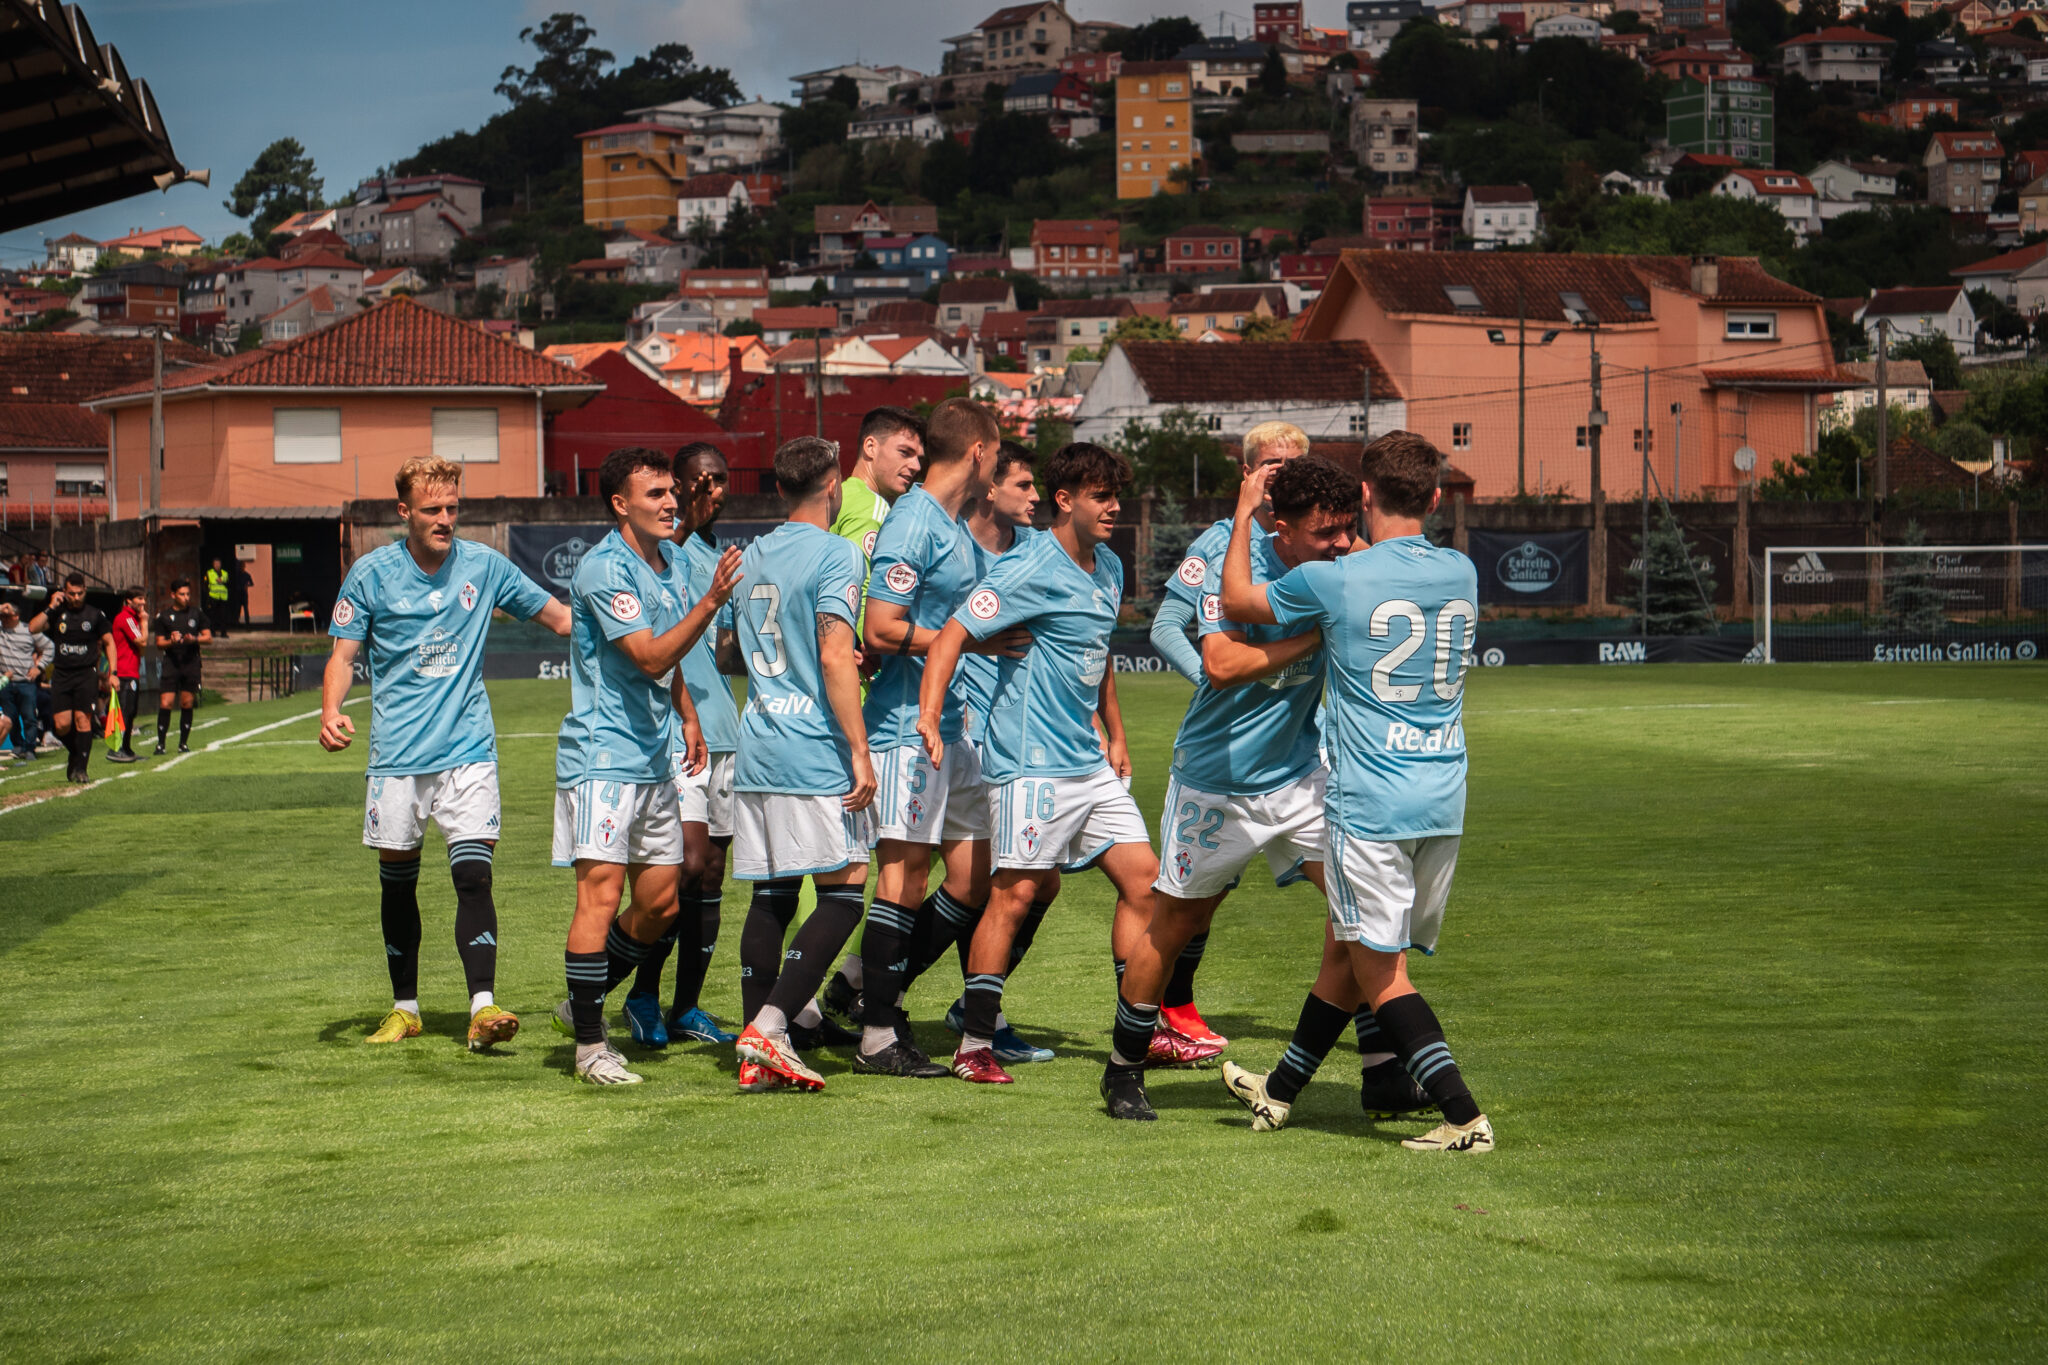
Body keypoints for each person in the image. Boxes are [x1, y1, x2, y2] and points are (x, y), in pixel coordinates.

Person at [1215, 432, 1493, 1154]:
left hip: (1370, 802)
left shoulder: (1337, 580)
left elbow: (1238, 601)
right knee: (1347, 950)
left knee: (1380, 971)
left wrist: (1247, 511)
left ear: (1364, 496)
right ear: (1435, 499)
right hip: (1444, 796)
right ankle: (1279, 1094)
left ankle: (1464, 1117)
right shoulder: (1461, 569)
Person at [1098, 455, 1363, 1120]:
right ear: (1279, 524)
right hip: (1215, 780)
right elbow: (1217, 662)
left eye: (1347, 528)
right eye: (1326, 531)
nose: (1342, 543)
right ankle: (1123, 1069)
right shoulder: (1226, 556)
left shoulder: (1347, 566)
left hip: (1301, 775)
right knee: (1174, 923)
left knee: (1362, 911)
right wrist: (1308, 641)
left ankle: (1384, 1070)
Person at [917, 442, 1158, 1086]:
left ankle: (1140, 1030)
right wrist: (929, 713)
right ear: (1065, 500)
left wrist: (1116, 731)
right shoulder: (1027, 567)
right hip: (1030, 763)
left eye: (1117, 496)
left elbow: (1099, 650)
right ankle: (973, 1044)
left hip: (1087, 760)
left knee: (1147, 884)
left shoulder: (1108, 565)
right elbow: (952, 635)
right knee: (1015, 894)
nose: (1114, 507)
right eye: (1100, 496)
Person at [319, 457, 575, 1051]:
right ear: (404, 511)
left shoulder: (484, 567)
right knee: (396, 885)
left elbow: (561, 617)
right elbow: (342, 655)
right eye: (432, 509)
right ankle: (405, 1007)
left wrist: (644, 634)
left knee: (473, 878)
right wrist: (331, 710)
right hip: (396, 758)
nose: (445, 519)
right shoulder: (371, 574)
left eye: (453, 508)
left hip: (468, 750)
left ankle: (483, 1007)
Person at [847, 397, 1031, 1079]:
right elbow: (881, 627)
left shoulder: (952, 524)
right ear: (980, 452)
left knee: (972, 875)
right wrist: (968, 640)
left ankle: (867, 991)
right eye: (1000, 451)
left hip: (950, 728)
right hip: (903, 729)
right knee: (902, 875)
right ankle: (874, 1033)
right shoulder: (914, 521)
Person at [551, 447, 738, 1086]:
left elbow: (670, 662)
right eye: (654, 493)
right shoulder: (605, 569)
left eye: (670, 492)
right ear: (619, 504)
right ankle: (589, 1048)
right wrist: (710, 603)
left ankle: (581, 998)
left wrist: (687, 715)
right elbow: (651, 657)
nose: (669, 502)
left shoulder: (667, 565)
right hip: (603, 758)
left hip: (655, 758)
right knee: (600, 897)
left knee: (661, 902)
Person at [1139, 420, 1312, 1049]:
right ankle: (1163, 1011)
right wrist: (1212, 681)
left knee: (1349, 884)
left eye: (1293, 465)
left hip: (1295, 761)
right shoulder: (1219, 544)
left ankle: (1377, 1030)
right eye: (1270, 464)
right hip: (1221, 758)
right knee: (1192, 902)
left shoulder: (1321, 545)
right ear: (1247, 474)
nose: (1280, 475)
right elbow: (1164, 626)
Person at [719, 435, 878, 1094]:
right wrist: (860, 747)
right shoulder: (839, 551)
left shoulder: (750, 555)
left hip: (757, 740)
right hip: (811, 745)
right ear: (835, 484)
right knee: (847, 885)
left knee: (773, 894)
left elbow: (733, 652)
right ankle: (771, 1024)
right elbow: (835, 652)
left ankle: (759, 1058)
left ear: (780, 490)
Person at [621, 442, 743, 1049]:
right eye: (699, 481)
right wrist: (686, 514)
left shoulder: (723, 555)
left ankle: (685, 1007)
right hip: (678, 734)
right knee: (684, 865)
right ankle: (636, 994)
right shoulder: (666, 550)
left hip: (726, 732)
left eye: (720, 480)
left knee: (711, 875)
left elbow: (727, 650)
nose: (711, 490)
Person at [29, 572, 113, 783]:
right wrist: (51, 605)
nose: (76, 597)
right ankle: (76, 753)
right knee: (61, 725)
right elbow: (33, 628)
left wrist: (115, 671)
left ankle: (81, 769)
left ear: (85, 591)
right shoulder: (57, 613)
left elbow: (109, 642)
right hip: (62, 675)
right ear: (64, 592)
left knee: (82, 720)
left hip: (86, 674)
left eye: (80, 593)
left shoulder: (95, 615)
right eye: (71, 593)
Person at [830, 405, 924, 562]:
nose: (916, 466)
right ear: (870, 447)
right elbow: (862, 584)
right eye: (904, 452)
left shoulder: (838, 495)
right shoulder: (872, 508)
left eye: (918, 458)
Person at [152, 580, 211, 755]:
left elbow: (208, 637)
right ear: (173, 595)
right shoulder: (163, 617)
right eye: (182, 594)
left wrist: (194, 639)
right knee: (166, 702)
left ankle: (183, 743)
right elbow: (159, 643)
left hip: (191, 663)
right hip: (172, 663)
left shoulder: (196, 614)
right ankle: (161, 744)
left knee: (187, 702)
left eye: (188, 594)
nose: (186, 598)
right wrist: (172, 641)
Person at [0, 602, 50, 758]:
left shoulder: (29, 630)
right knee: (10, 717)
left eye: (7, 608)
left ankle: (29, 748)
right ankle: (18, 746)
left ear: (16, 616)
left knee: (29, 717)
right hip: (5, 682)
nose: (3, 609)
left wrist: (39, 667)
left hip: (25, 681)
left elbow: (50, 648)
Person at [106, 586, 146, 763]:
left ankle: (127, 749)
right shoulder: (126, 618)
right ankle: (116, 748)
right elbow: (141, 641)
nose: (143, 602)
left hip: (131, 671)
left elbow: (142, 649)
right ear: (129, 601)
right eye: (139, 599)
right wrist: (145, 622)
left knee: (131, 711)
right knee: (123, 711)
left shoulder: (133, 618)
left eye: (144, 599)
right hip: (123, 672)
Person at [204, 557, 232, 638]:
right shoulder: (209, 573)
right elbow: (205, 584)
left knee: (223, 616)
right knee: (212, 616)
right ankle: (213, 632)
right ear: (213, 564)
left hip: (223, 598)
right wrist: (208, 594)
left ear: (220, 564)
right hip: (213, 597)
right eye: (215, 564)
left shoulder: (225, 573)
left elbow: (229, 583)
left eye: (218, 563)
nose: (217, 565)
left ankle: (223, 633)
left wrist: (222, 580)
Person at [231, 559, 255, 630]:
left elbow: (252, 583)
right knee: (238, 610)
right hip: (238, 594)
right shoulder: (237, 575)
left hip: (244, 594)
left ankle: (247, 624)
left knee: (245, 610)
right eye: (240, 566)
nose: (241, 567)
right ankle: (236, 623)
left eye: (242, 566)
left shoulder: (247, 575)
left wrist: (247, 585)